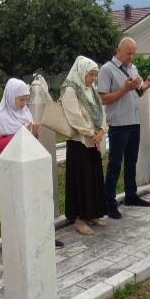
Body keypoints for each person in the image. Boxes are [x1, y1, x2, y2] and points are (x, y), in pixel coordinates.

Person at [0, 78, 64, 248]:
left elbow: (31, 138)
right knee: (19, 206)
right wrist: (22, 134)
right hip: (13, 167)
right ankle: (22, 241)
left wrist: (34, 133)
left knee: (36, 201)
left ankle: (43, 236)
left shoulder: (25, 113)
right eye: (21, 99)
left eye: (26, 100)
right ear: (10, 97)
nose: (24, 104)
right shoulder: (1, 117)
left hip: (30, 164)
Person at [98, 37, 150, 219]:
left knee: (131, 161)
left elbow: (135, 92)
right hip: (119, 124)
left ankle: (131, 195)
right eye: (129, 53)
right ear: (119, 50)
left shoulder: (133, 68)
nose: (132, 57)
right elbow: (104, 98)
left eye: (133, 53)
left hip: (134, 121)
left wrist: (144, 87)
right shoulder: (106, 69)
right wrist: (125, 89)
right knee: (115, 164)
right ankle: (109, 202)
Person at [62, 56, 108, 235]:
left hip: (93, 141)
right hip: (79, 143)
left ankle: (93, 213)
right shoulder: (70, 90)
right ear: (82, 72)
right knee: (81, 180)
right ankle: (80, 219)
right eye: (91, 74)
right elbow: (74, 117)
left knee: (93, 179)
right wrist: (92, 134)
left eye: (95, 75)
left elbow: (101, 112)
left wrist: (102, 131)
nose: (93, 78)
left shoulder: (92, 89)